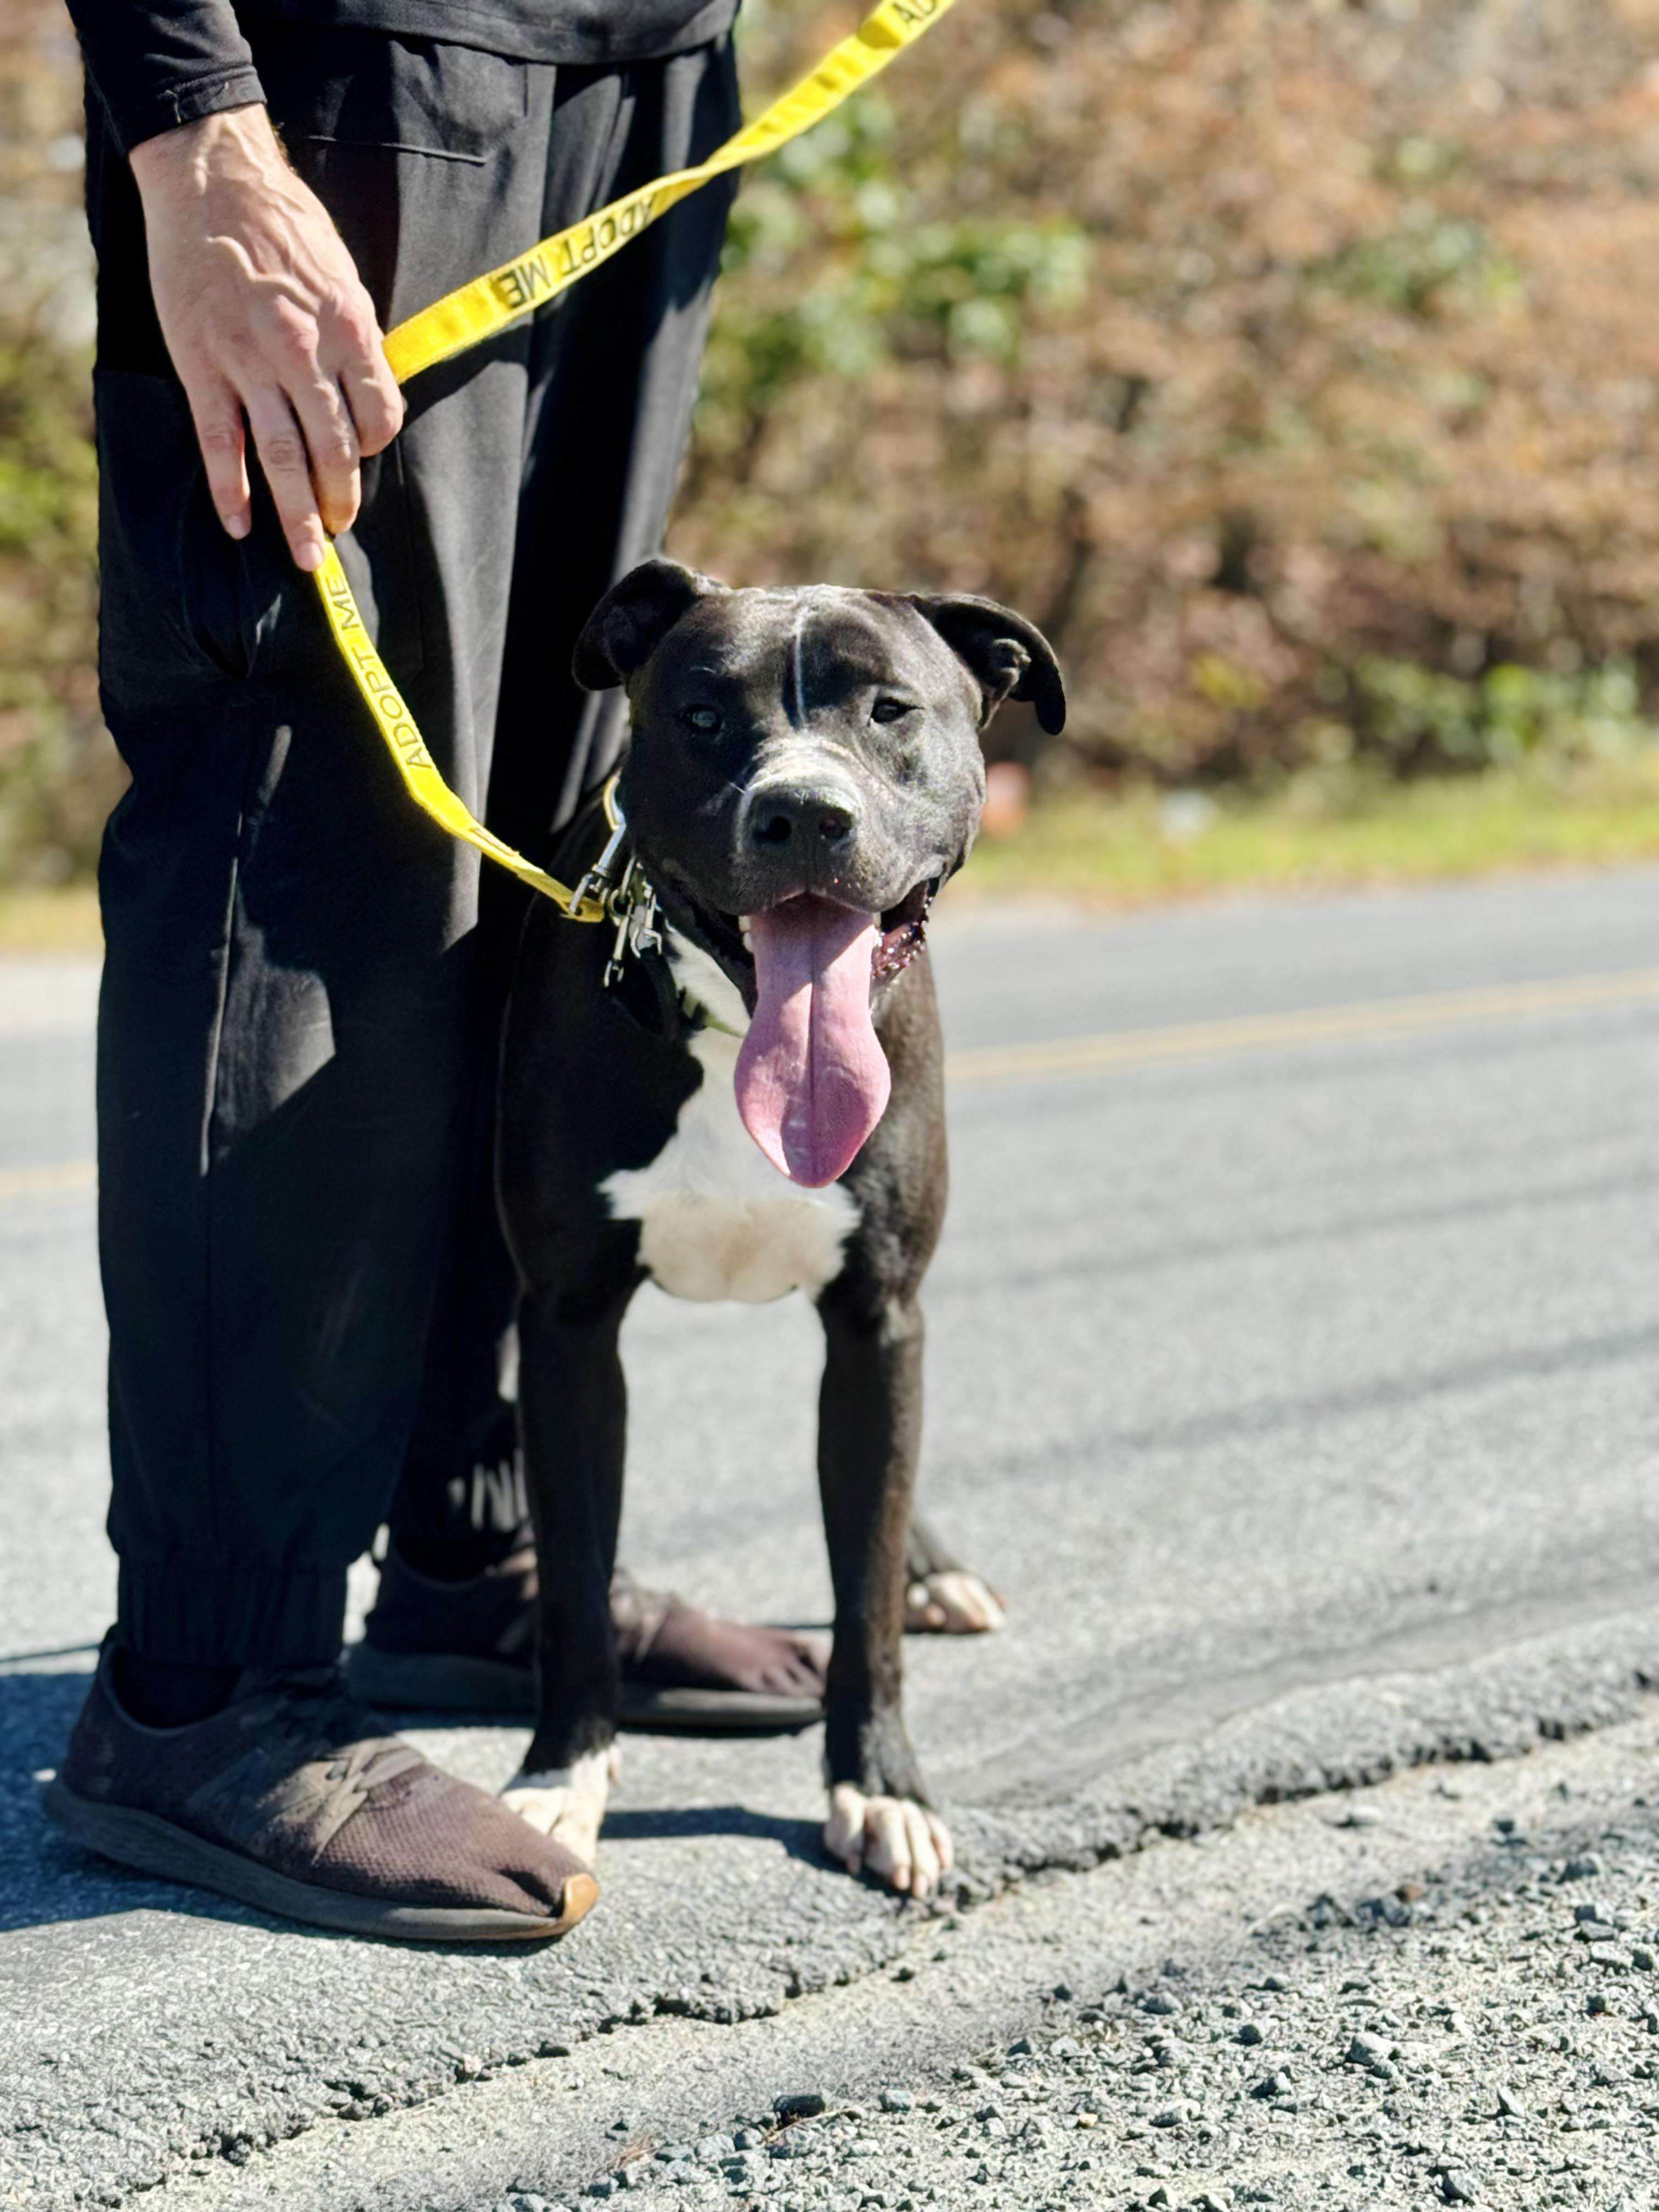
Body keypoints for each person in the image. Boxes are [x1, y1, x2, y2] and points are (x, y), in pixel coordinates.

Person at [44, 0, 836, 1943]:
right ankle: (209, 1686)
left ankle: (466, 1551)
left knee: (561, 814)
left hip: (644, 65)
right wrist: (198, 128)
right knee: (312, 826)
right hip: (351, 71)